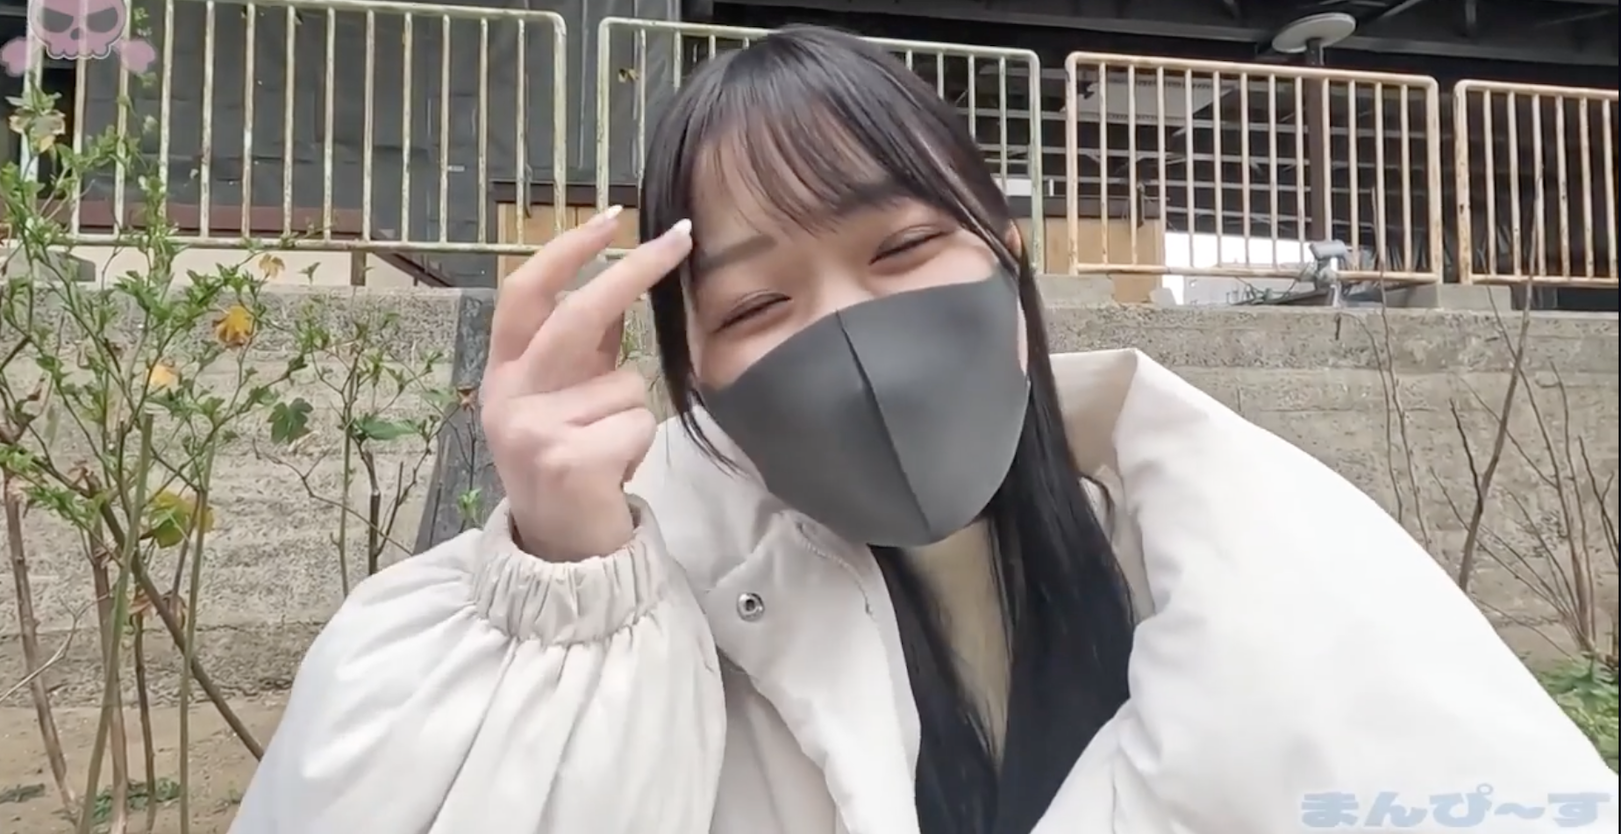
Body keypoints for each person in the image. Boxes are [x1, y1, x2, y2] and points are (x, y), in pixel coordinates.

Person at [229, 26, 1616, 834]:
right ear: (691, 376)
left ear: (1009, 264)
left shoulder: (1258, 558)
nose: (851, 333)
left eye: (901, 249)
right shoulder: (604, 610)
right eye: (758, 302)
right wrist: (564, 569)